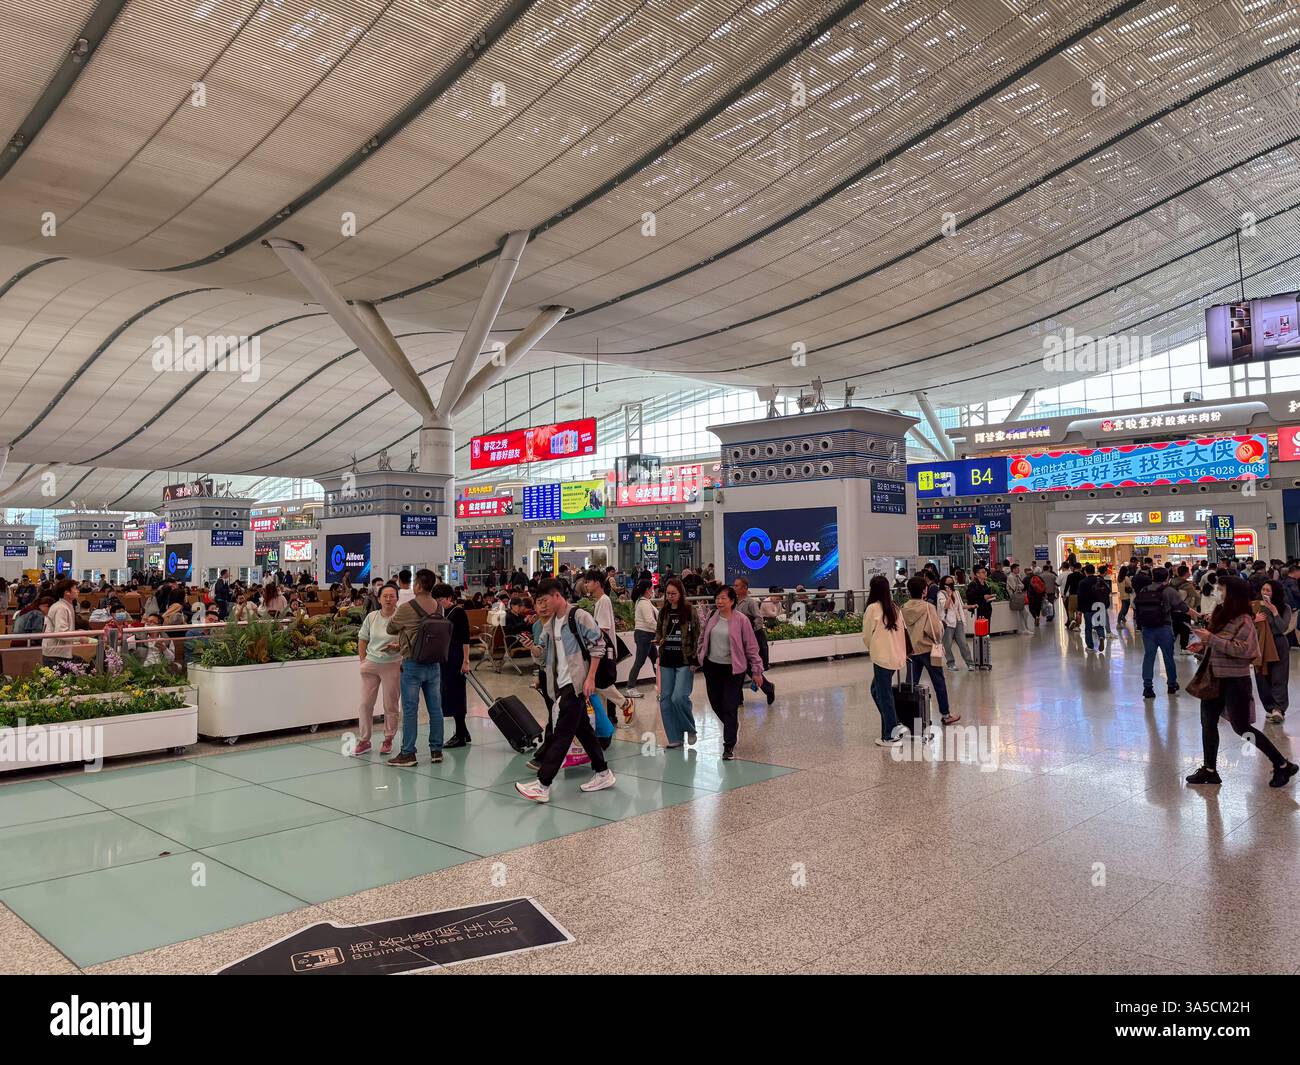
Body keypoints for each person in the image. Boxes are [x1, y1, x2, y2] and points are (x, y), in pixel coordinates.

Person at [1186, 576, 1297, 789]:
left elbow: (1245, 651)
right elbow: (1220, 643)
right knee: (1208, 723)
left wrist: (1211, 639)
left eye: (1221, 588)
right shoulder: (1220, 614)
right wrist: (1203, 645)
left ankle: (1282, 764)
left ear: (1232, 593)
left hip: (1235, 681)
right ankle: (1210, 770)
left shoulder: (1245, 619)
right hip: (1214, 677)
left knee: (1242, 727)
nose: (1217, 591)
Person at [514, 578, 616, 802]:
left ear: (557, 596)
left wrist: (590, 678)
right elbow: (542, 655)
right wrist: (533, 648)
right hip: (558, 685)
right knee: (584, 732)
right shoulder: (550, 623)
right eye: (538, 601)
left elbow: (599, 644)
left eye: (544, 600)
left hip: (576, 685)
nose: (541, 605)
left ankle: (543, 784)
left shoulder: (578, 616)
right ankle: (603, 772)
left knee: (561, 734)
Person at [385, 568, 446, 766]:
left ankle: (408, 753)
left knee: (410, 710)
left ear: (417, 585)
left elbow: (390, 628)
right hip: (434, 663)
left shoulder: (406, 607)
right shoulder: (439, 607)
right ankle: (436, 750)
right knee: (435, 708)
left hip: (412, 664)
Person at [698, 586, 763, 760]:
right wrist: (700, 656)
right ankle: (732, 724)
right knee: (715, 703)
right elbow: (703, 637)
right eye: (717, 598)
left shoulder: (741, 620)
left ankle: (728, 745)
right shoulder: (713, 617)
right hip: (712, 667)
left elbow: (751, 647)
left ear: (732, 601)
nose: (719, 601)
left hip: (733, 669)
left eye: (723, 598)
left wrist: (757, 670)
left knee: (729, 705)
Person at [901, 576, 961, 726]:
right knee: (938, 681)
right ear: (924, 590)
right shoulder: (928, 607)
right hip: (928, 649)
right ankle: (946, 714)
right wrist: (941, 626)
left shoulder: (903, 608)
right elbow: (934, 629)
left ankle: (908, 716)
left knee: (911, 684)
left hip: (912, 650)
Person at [583, 570, 635, 724]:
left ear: (597, 583)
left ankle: (624, 703)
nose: (585, 585)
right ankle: (605, 718)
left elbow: (602, 628)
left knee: (601, 683)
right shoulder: (600, 601)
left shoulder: (604, 601)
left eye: (588, 582)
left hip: (603, 651)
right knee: (598, 686)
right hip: (601, 649)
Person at [654, 576, 700, 748]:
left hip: (685, 660)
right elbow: (659, 631)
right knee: (665, 699)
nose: (670, 596)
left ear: (681, 593)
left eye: (674, 593)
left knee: (679, 697)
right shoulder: (663, 612)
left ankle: (690, 728)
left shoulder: (689, 611)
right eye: (668, 594)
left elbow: (697, 635)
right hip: (666, 660)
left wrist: (695, 658)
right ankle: (675, 737)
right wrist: (659, 640)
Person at [863, 575, 907, 747]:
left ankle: (890, 733)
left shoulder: (873, 609)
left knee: (884, 693)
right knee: (877, 689)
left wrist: (872, 647)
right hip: (895, 656)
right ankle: (894, 722)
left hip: (882, 657)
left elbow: (867, 636)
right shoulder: (894, 607)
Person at [1133, 565, 1180, 698]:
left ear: (1152, 577)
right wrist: (1197, 615)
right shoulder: (1168, 590)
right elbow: (1181, 606)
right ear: (1167, 577)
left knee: (1149, 656)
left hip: (1147, 628)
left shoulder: (1144, 590)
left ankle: (1147, 687)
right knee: (1168, 656)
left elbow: (1136, 605)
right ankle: (1171, 684)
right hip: (1164, 627)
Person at [435, 582, 473, 748]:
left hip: (456, 657)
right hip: (444, 657)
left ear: (450, 598)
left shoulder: (458, 613)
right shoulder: (440, 612)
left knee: (456, 694)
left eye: (441, 599)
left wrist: (466, 661)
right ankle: (462, 731)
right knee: (448, 693)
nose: (438, 602)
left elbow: (465, 638)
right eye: (436, 599)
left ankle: (460, 733)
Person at [1255, 579, 1292, 724]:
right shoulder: (1256, 606)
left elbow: (1283, 628)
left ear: (1275, 593)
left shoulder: (1285, 608)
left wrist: (1275, 612)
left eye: (1268, 590)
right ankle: (1270, 707)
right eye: (1263, 590)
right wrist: (1254, 619)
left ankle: (1279, 709)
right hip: (1261, 644)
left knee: (1279, 676)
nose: (1265, 593)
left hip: (1278, 643)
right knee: (1262, 677)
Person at [626, 580, 658, 700]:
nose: (653, 590)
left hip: (647, 635)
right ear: (647, 589)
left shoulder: (644, 601)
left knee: (656, 659)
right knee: (639, 662)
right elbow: (649, 621)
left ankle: (661, 685)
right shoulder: (644, 603)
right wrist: (660, 629)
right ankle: (630, 687)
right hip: (644, 635)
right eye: (652, 588)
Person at [43, 579, 81, 670]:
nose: (77, 591)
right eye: (75, 588)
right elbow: (61, 633)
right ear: (67, 592)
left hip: (59, 652)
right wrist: (80, 637)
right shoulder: (61, 608)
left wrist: (77, 633)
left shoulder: (67, 605)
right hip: (55, 654)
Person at [937, 574, 973, 671]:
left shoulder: (956, 593)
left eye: (951, 582)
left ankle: (970, 662)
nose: (950, 584)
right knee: (947, 644)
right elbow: (945, 606)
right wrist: (948, 596)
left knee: (963, 643)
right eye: (947, 582)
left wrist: (971, 606)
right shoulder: (940, 594)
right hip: (947, 622)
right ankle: (951, 663)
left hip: (958, 621)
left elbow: (960, 606)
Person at [1076, 564, 1107, 654]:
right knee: (1099, 625)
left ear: (1085, 571)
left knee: (1088, 627)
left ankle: (1090, 646)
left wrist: (1079, 610)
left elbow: (1080, 597)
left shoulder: (1082, 582)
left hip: (1087, 607)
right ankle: (1101, 636)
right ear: (1094, 571)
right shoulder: (1100, 580)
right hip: (1099, 606)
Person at [1006, 563, 1032, 635]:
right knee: (1024, 612)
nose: (1019, 570)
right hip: (1015, 597)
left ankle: (1024, 628)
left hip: (1018, 596)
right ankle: (1024, 629)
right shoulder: (1011, 577)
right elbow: (1015, 587)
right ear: (1013, 569)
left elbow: (1023, 585)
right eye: (1017, 568)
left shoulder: (1017, 576)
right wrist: (1020, 586)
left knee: (1023, 613)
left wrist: (1019, 586)